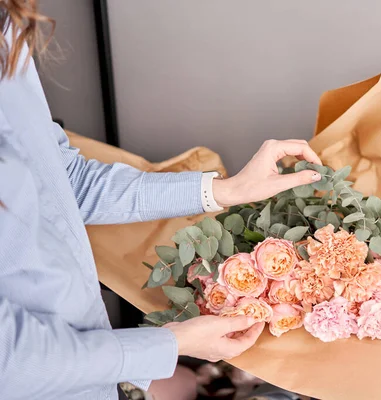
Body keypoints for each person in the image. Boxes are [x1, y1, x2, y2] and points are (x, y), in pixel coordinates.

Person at [0, 2, 322, 399]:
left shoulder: (8, 29)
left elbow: (62, 181)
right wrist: (171, 346)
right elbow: (14, 361)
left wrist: (226, 190)